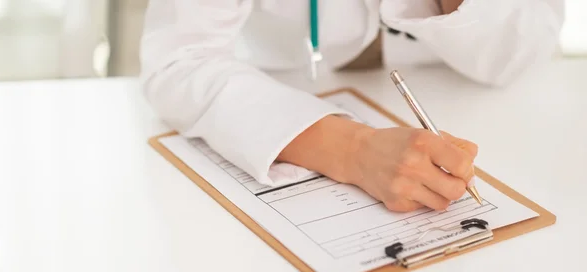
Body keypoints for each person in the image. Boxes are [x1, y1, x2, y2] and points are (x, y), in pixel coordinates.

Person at [139, 0, 564, 212]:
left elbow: (522, 49)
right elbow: (178, 61)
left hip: (458, 89)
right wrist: (354, 150)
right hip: (276, 86)